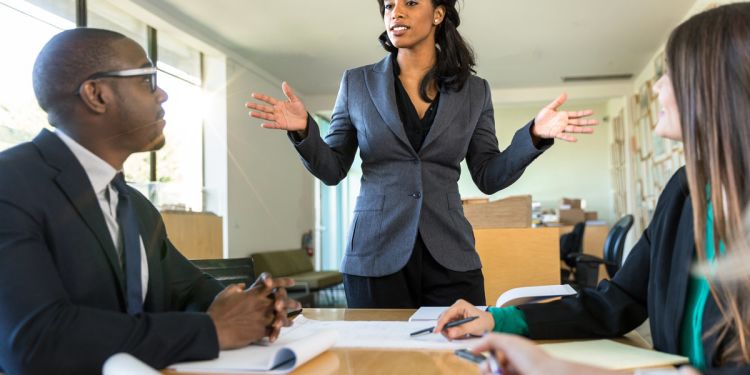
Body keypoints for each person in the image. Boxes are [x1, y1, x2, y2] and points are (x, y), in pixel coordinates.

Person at [435, 3, 750, 373]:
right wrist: (497, 319)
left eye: (672, 72)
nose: (658, 84)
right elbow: (620, 299)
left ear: (718, 85)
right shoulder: (685, 190)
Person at [245, 0, 598, 308]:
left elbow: (489, 175)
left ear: (438, 14)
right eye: (388, 6)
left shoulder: (474, 91)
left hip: (451, 256)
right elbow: (334, 168)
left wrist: (533, 136)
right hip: (374, 254)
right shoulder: (356, 84)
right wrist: (304, 131)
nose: (395, 11)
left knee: (458, 360)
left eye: (411, 2)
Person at [0, 28, 299, 375]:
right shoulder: (11, 186)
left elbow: (193, 292)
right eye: (147, 79)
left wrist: (257, 305)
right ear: (96, 94)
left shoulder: (136, 207)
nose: (163, 94)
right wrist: (214, 330)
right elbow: (34, 342)